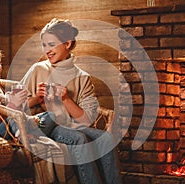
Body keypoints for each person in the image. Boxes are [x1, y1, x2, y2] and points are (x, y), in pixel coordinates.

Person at [20, 18, 121, 184]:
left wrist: (66, 99)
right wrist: (35, 98)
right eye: (44, 45)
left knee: (106, 139)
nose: (47, 50)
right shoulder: (38, 69)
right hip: (47, 125)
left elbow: (86, 120)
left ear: (67, 44)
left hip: (74, 125)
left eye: (51, 44)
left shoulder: (82, 77)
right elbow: (14, 105)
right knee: (79, 139)